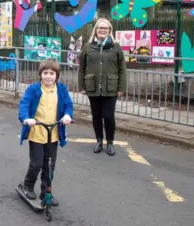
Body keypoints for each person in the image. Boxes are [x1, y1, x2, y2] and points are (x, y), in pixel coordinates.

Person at [18, 59, 73, 205]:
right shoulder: (34, 89)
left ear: (57, 75)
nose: (48, 76)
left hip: (53, 133)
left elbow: (68, 105)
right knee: (36, 164)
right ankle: (28, 185)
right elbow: (24, 104)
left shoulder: (61, 89)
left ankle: (46, 192)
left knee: (49, 165)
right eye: (45, 73)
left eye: (52, 73)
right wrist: (26, 118)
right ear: (40, 74)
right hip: (37, 131)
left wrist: (67, 115)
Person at [78, 18, 127, 156]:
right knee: (96, 115)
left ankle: (110, 142)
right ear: (96, 30)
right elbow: (82, 68)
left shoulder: (116, 47)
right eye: (100, 28)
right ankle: (99, 140)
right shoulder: (88, 47)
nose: (102, 30)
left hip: (111, 87)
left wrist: (121, 88)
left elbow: (122, 69)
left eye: (105, 28)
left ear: (109, 31)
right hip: (92, 86)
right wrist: (82, 85)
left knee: (109, 116)